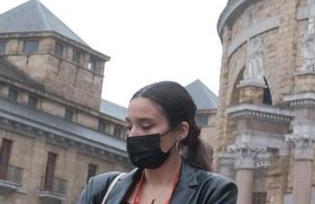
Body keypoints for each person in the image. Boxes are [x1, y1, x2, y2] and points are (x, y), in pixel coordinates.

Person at [78, 81, 236, 204]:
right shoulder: (101, 188)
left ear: (181, 131)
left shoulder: (214, 192)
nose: (133, 134)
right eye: (129, 126)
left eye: (146, 126)